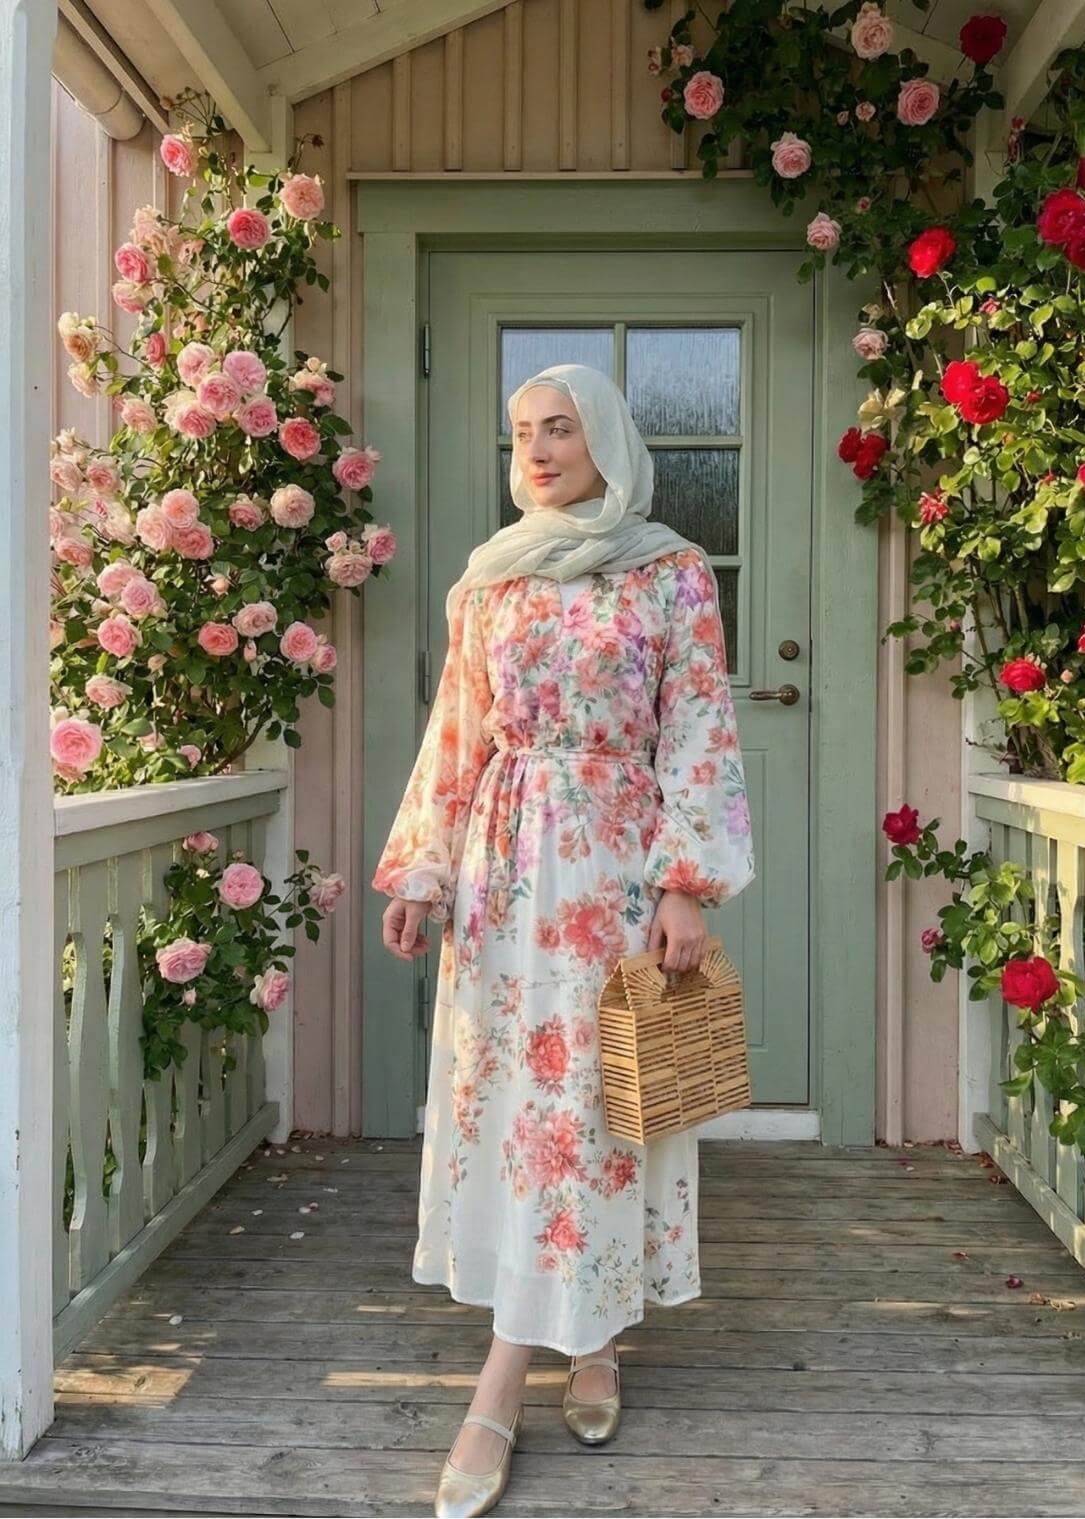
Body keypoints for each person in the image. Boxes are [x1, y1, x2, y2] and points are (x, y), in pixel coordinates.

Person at [373, 362, 756, 1518]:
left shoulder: (670, 572)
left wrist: (686, 884)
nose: (538, 450)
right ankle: (586, 1342)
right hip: (501, 880)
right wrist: (425, 869)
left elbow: (698, 726)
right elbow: (460, 731)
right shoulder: (490, 581)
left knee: (599, 1109)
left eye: (561, 428)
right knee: (519, 1117)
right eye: (522, 432)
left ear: (604, 438)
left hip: (614, 872)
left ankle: (499, 1390)